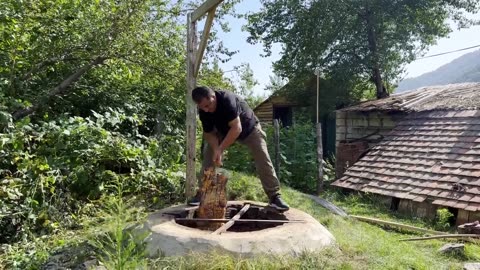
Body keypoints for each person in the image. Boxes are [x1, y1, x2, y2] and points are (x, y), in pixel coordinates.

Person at [187, 86, 289, 212]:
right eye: (203, 108)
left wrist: (221, 149)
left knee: (262, 157)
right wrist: (216, 149)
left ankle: (275, 196)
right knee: (209, 157)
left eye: (208, 105)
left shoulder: (227, 100)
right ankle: (203, 192)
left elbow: (236, 128)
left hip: (249, 129)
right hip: (223, 131)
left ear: (213, 96)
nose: (207, 110)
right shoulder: (204, 111)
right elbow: (209, 134)